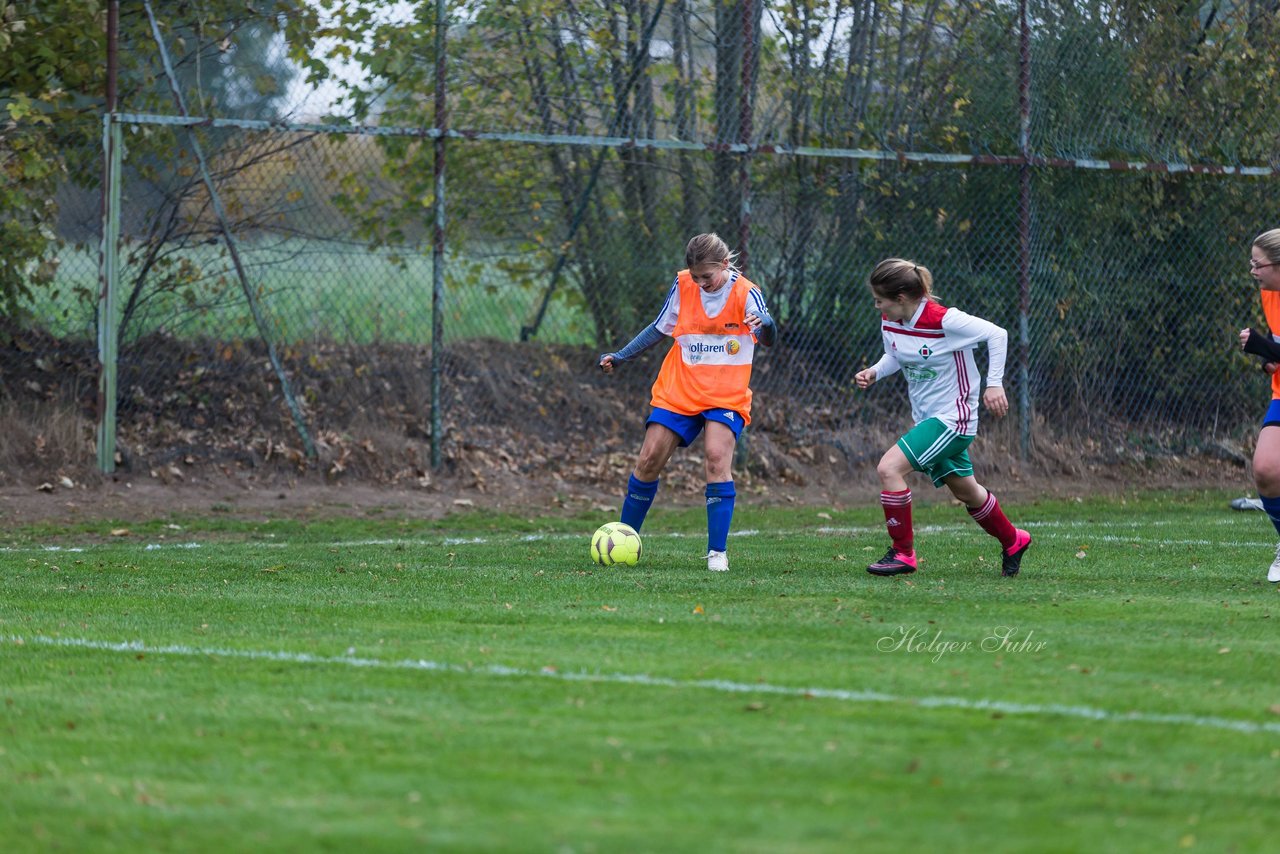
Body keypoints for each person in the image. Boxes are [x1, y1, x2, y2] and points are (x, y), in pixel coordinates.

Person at [598, 233, 776, 572]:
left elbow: (768, 337)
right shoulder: (683, 285)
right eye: (694, 276)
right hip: (680, 388)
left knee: (715, 457)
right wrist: (621, 356)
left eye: (705, 277)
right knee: (648, 459)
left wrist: (765, 323)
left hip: (725, 392)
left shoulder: (746, 293)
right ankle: (624, 539)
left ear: (724, 265)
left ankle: (717, 554)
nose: (699, 283)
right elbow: (658, 328)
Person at [853, 258, 1031, 577]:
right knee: (968, 492)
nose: (877, 305)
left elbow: (997, 334)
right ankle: (1014, 540)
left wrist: (993, 384)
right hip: (928, 419)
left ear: (902, 298)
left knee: (889, 468)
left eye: (880, 299)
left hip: (954, 419)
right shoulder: (890, 320)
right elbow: (894, 354)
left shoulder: (945, 320)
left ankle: (903, 553)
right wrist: (875, 372)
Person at [1236, 227, 1280, 582]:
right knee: (1265, 469)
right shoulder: (1270, 294)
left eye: (1257, 264)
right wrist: (1269, 358)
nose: (1252, 271)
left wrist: (1262, 346)